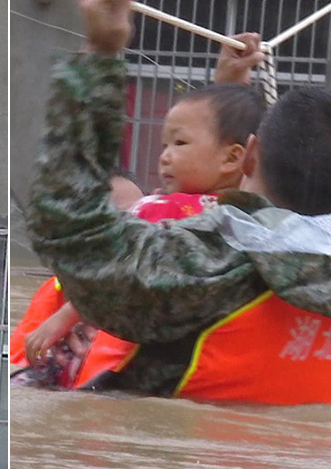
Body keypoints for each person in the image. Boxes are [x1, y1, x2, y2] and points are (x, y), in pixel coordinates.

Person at [25, 0, 331, 404]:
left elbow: (72, 228)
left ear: (246, 154)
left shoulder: (203, 269)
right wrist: (226, 96)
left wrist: (99, 58)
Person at [18, 82, 265, 371]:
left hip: (120, 348)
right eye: (164, 145)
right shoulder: (251, 216)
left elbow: (114, 276)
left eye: (179, 143)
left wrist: (62, 319)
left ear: (233, 157)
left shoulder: (159, 211)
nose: (164, 156)